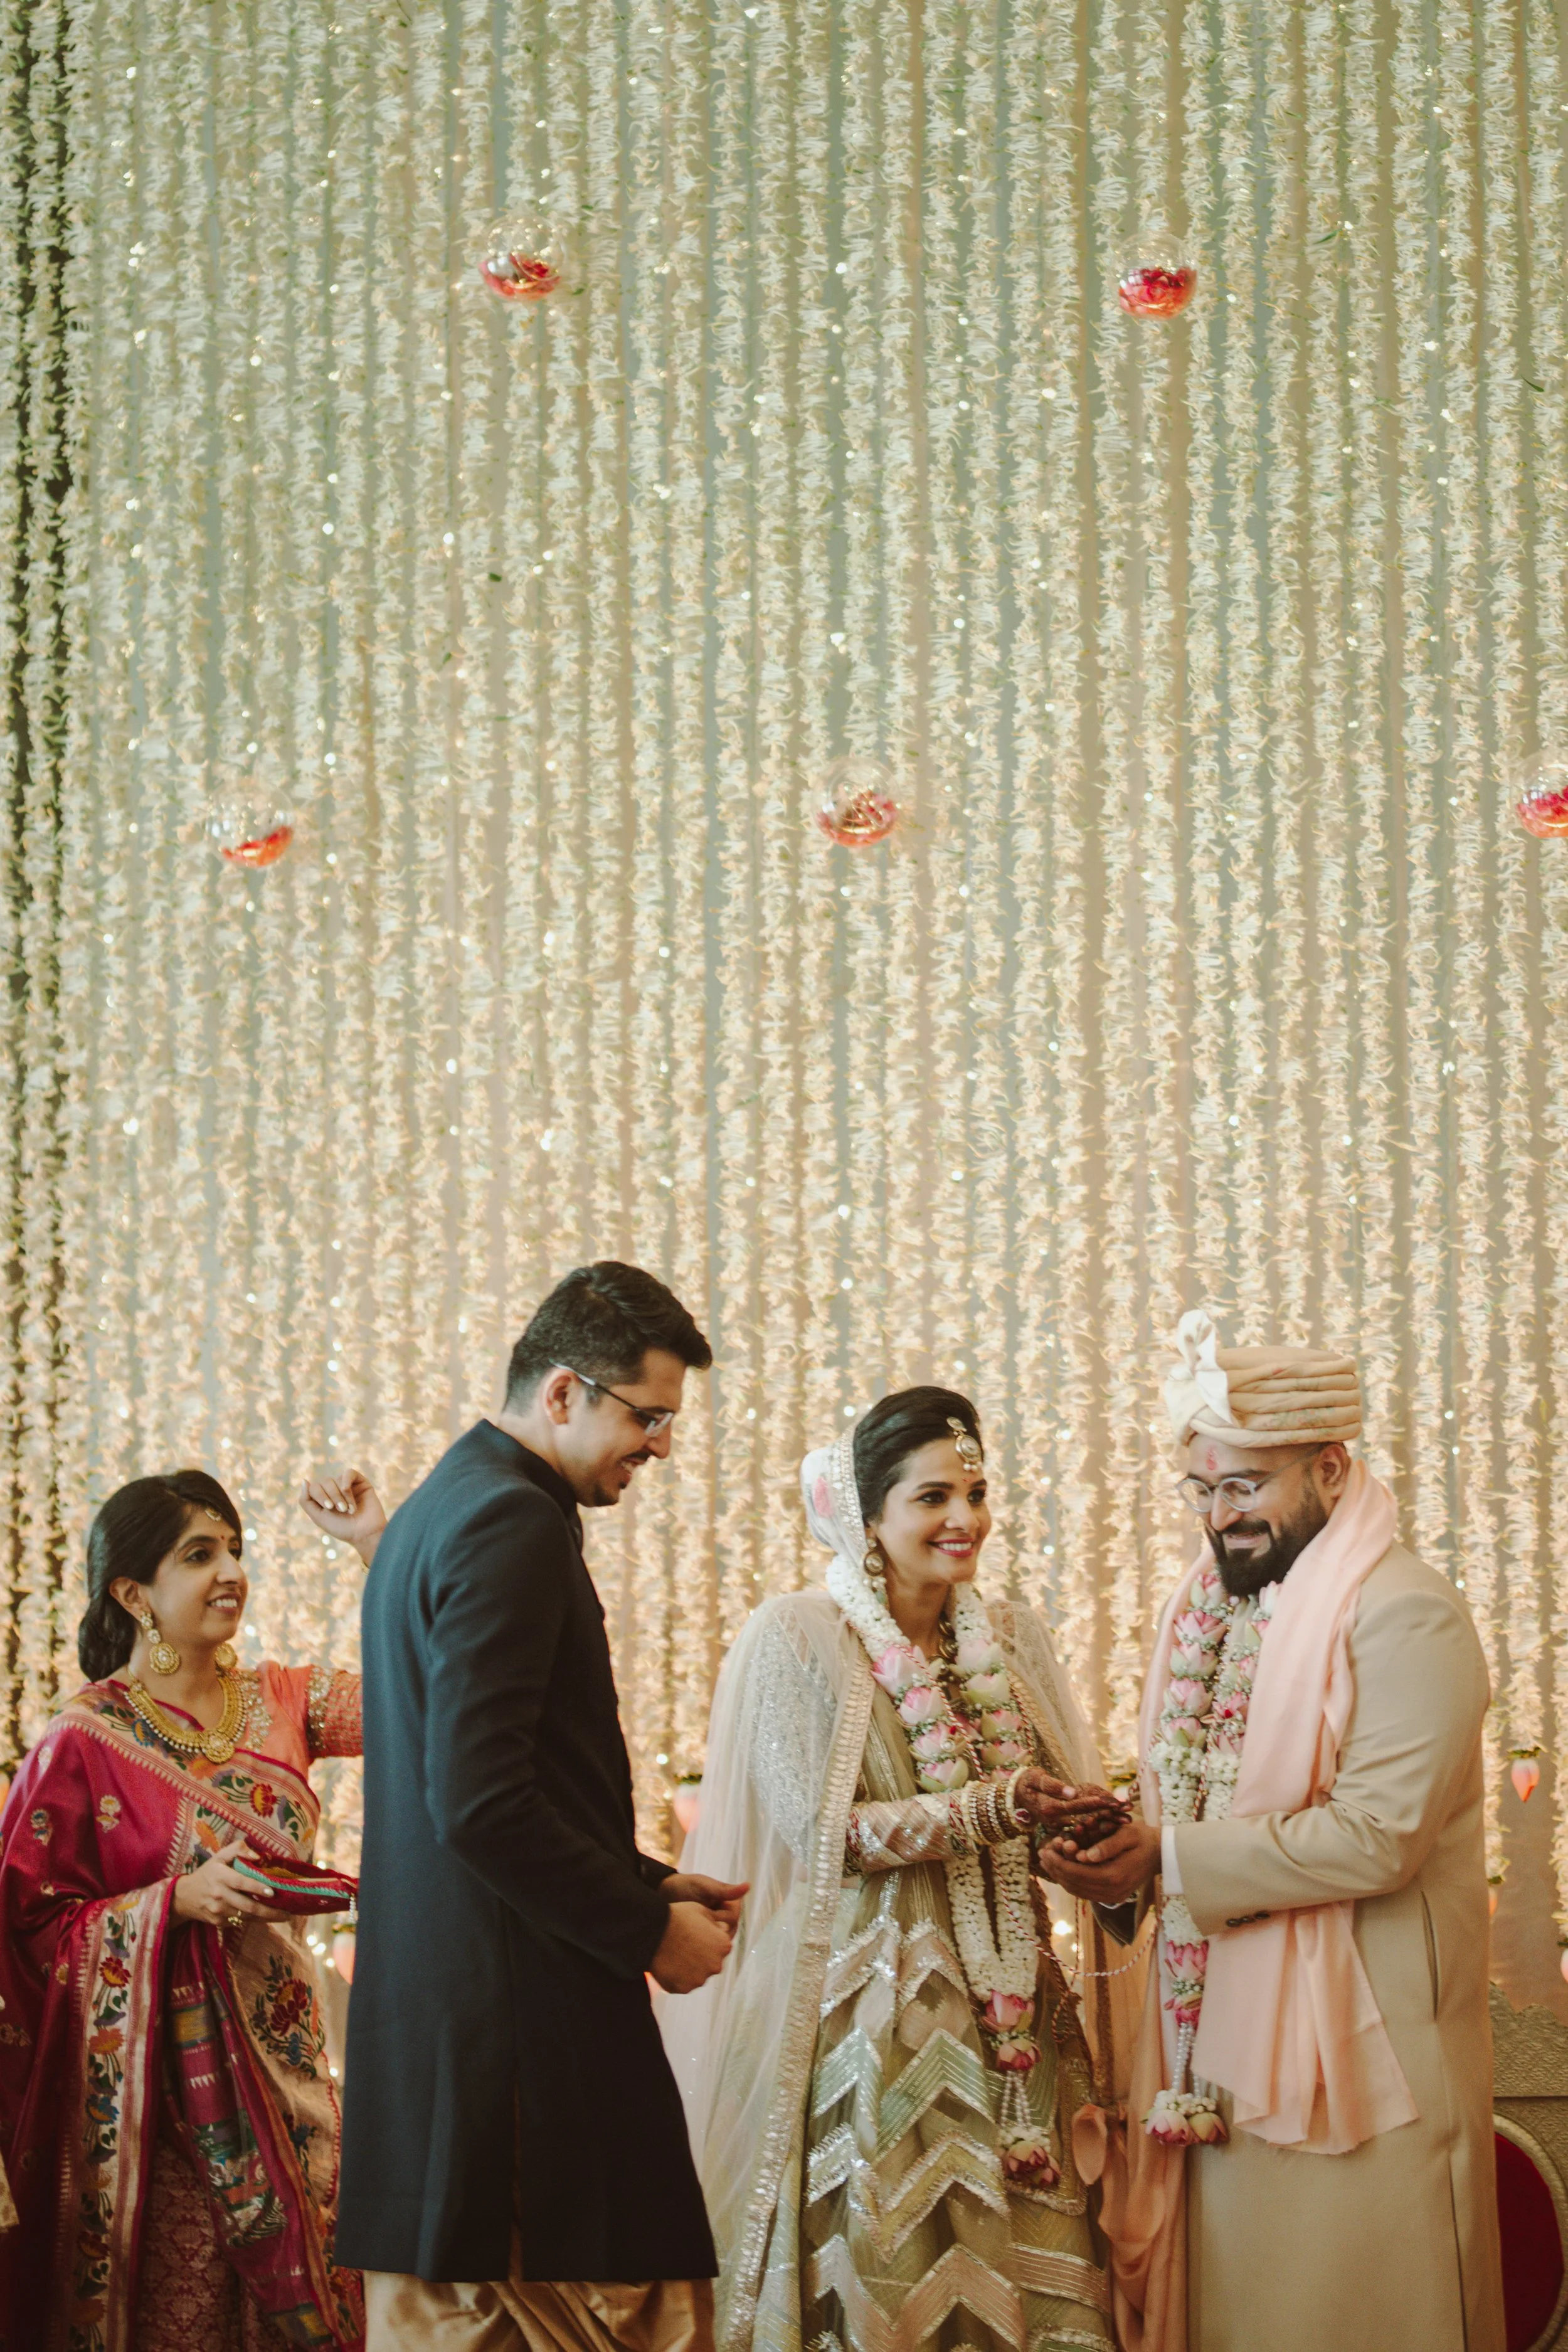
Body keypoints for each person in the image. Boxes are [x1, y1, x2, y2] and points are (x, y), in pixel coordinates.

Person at [1037, 1308, 1507, 2352]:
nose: (1219, 1517)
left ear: (1332, 1469)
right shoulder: (1218, 1613)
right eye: (1202, 1490)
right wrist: (1123, 1864)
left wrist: (1170, 1852)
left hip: (1367, 2063)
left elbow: (1377, 1837)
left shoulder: (1403, 1610)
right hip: (1226, 2062)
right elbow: (1196, 1816)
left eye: (1245, 1485)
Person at [660, 1387, 1135, 2352]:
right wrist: (994, 1806)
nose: (964, 1519)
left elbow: (1041, 1791)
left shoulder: (1007, 1634)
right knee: (894, 2257)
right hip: (869, 2012)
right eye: (931, 1497)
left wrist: (1076, 1826)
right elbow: (820, 1830)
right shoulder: (797, 1636)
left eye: (976, 1490)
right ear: (866, 1514)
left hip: (1010, 1995)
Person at [338, 1261, 743, 2352]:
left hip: (460, 2034)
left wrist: (649, 1875)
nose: (660, 1445)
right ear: (563, 1392)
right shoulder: (511, 1520)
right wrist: (645, 1928)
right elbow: (476, 1803)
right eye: (649, 1417)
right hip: (511, 2062)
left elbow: (497, 1782)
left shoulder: (442, 1505)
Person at [0, 1465, 381, 2352]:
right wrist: (171, 1902)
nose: (230, 1572)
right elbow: (23, 1926)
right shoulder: (84, 1738)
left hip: (293, 2089)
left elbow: (438, 1688)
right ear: (134, 1591)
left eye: (236, 1550)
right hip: (161, 2116)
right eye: (199, 1553)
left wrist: (374, 1541)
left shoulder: (284, 1700)